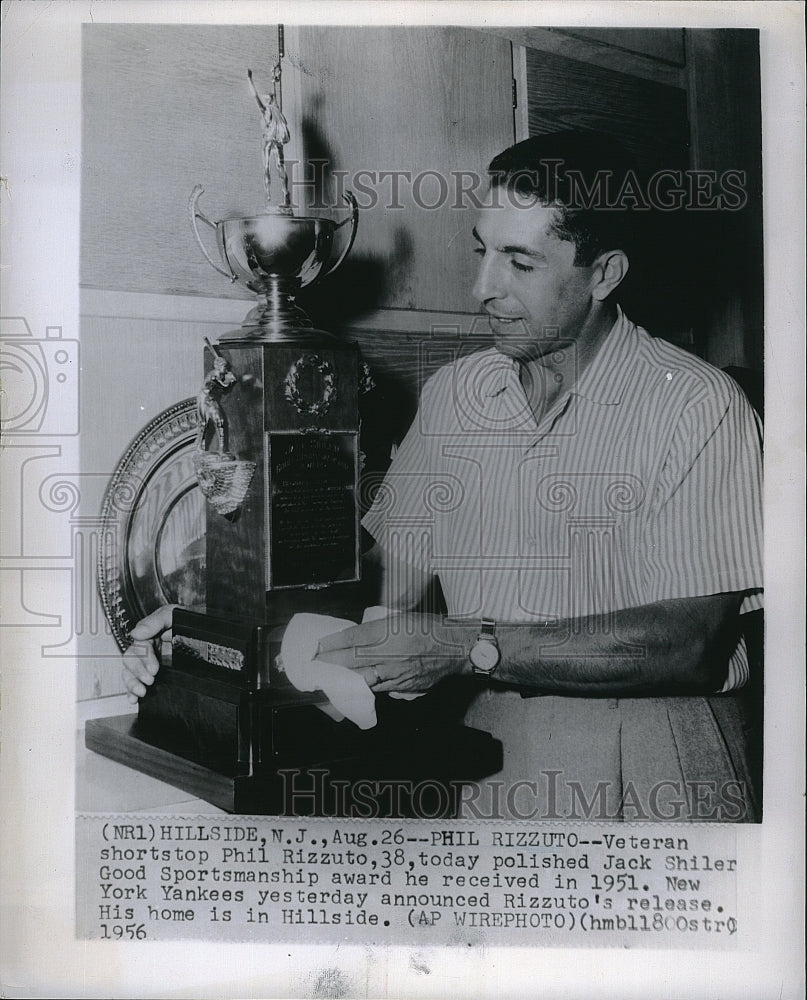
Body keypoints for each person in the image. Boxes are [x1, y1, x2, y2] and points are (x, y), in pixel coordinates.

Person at [124, 132, 763, 821]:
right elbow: (383, 582)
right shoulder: (458, 392)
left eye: (519, 262)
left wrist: (467, 646)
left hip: (651, 753)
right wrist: (216, 628)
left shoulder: (697, 405)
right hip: (482, 750)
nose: (482, 288)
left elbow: (689, 643)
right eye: (481, 250)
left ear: (604, 274)